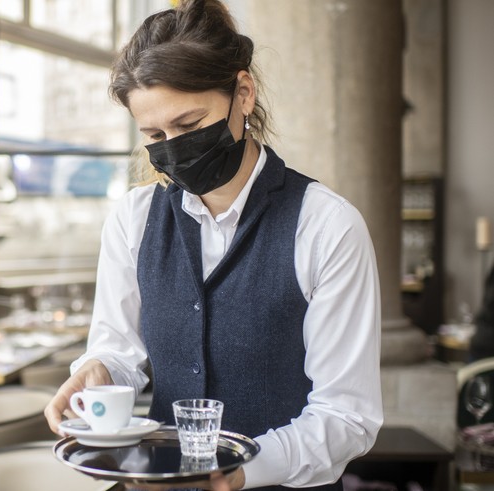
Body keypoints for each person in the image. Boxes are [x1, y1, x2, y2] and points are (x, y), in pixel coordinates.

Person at [44, 1, 383, 489]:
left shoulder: (327, 226)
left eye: (188, 125)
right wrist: (96, 373)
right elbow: (118, 351)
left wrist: (242, 471)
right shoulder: (133, 219)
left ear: (243, 93)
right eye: (155, 134)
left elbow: (346, 416)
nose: (172, 146)